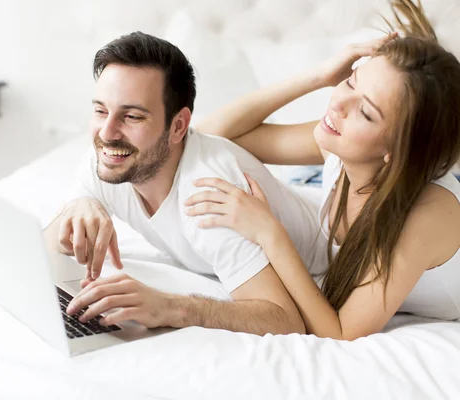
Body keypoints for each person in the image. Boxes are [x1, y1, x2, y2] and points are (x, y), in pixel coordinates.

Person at [190, 0, 460, 340]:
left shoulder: (426, 216)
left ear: (397, 150)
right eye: (351, 81)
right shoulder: (342, 146)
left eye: (366, 112)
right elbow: (209, 135)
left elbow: (341, 331)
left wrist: (268, 232)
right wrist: (318, 76)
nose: (338, 103)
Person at [43, 31, 329, 336]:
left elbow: (285, 319)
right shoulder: (109, 159)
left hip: (328, 241)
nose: (107, 133)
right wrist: (78, 204)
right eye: (100, 111)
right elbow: (46, 244)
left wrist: (170, 307)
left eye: (132, 117)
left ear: (178, 126)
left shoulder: (210, 198)